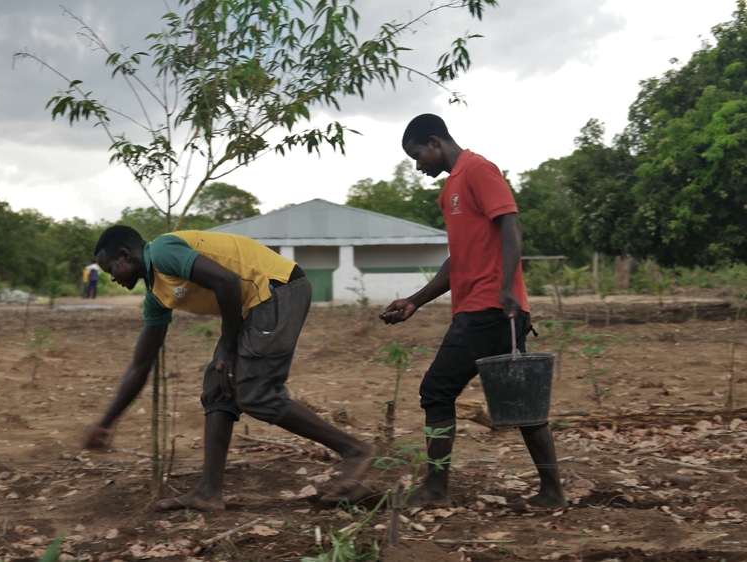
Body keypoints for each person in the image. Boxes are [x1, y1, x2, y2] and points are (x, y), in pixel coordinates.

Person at [82, 226, 374, 511]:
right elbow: (141, 363)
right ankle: (208, 493)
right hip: (253, 303)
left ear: (125, 255)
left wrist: (229, 347)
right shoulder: (156, 294)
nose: (112, 277)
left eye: (111, 269)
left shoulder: (162, 251)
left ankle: (354, 450)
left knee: (256, 394)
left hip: (277, 287)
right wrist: (106, 421)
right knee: (217, 389)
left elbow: (228, 282)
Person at [380, 114, 567, 509]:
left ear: (434, 142)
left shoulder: (478, 170)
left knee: (436, 390)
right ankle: (552, 492)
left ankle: (434, 488)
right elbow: (458, 259)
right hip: (488, 309)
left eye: (417, 156)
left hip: (489, 307)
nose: (418, 166)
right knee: (520, 399)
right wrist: (415, 300)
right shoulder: (449, 188)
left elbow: (512, 225)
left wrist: (504, 287)